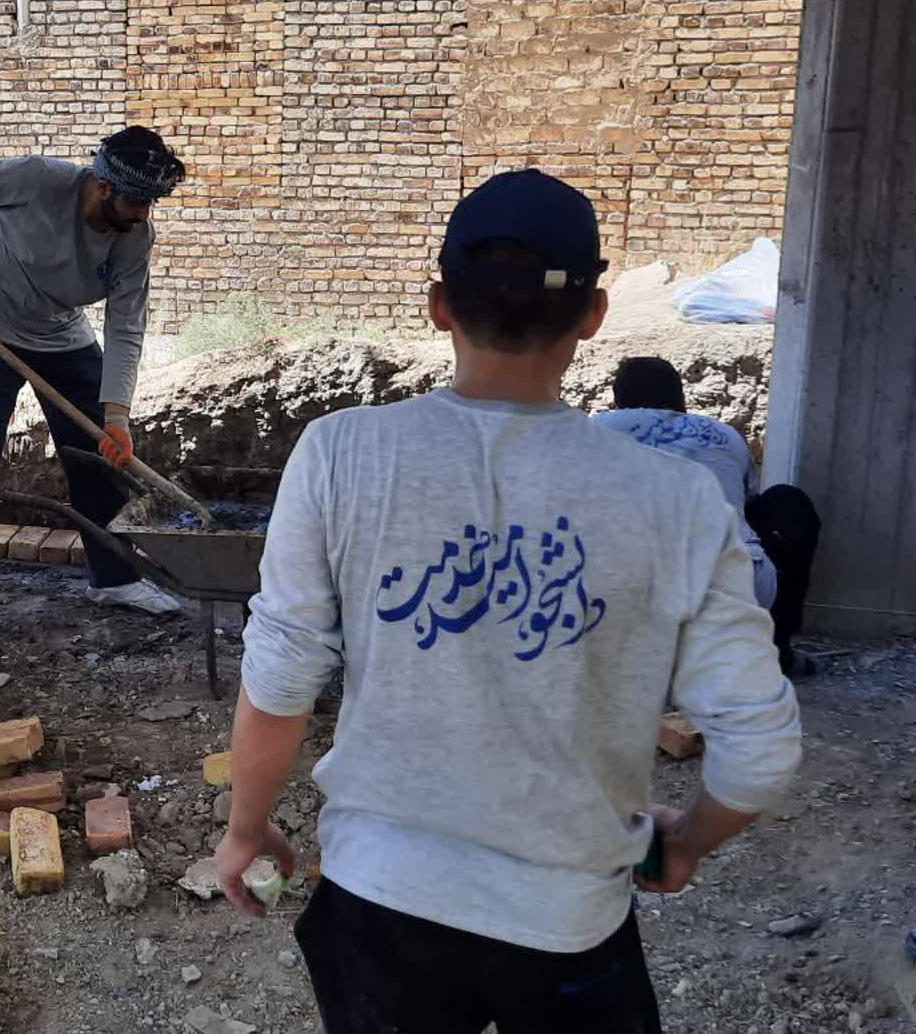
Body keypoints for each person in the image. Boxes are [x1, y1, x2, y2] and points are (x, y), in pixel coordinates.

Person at [215, 169, 802, 1034]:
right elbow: (759, 752)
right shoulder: (675, 499)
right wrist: (685, 844)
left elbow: (279, 683)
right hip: (567, 923)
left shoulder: (342, 454)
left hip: (380, 902)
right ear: (594, 316)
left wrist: (246, 828)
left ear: (437, 305)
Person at [0, 128, 189, 650]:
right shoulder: (36, 179)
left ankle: (116, 578)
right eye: (136, 201)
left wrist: (116, 416)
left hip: (62, 334)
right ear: (103, 187)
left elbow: (125, 324)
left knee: (98, 455)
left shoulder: (135, 236)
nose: (144, 214)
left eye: (150, 204)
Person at [599, 356, 821, 676]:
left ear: (618, 401)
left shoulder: (594, 429)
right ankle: (775, 651)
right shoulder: (725, 436)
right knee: (787, 502)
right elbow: (747, 502)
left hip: (627, 599)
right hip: (738, 591)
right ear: (682, 400)